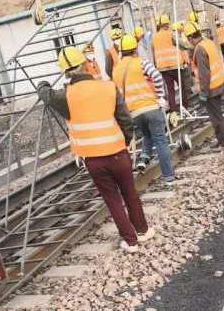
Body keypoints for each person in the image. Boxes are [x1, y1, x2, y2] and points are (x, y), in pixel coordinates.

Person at [38, 47, 153, 253]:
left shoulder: (65, 97)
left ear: (65, 73)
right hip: (118, 152)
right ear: (85, 64)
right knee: (130, 193)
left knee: (112, 199)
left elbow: (46, 94)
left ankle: (131, 241)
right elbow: (125, 120)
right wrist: (124, 142)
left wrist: (43, 84)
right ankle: (143, 231)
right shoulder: (108, 87)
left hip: (93, 160)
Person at [112, 34, 176, 183]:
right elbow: (157, 77)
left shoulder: (116, 71)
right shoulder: (141, 62)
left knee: (148, 135)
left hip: (133, 113)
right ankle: (169, 176)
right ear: (135, 49)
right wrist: (160, 96)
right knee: (160, 140)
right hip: (151, 107)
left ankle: (144, 158)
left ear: (121, 51)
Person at [183, 22, 224, 149]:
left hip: (211, 87)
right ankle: (222, 140)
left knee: (216, 116)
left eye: (188, 40)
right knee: (218, 113)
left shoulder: (199, 49)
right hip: (219, 82)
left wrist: (203, 92)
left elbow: (204, 73)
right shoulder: (208, 42)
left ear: (190, 38)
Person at [151, 14, 191, 117]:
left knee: (170, 89)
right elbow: (182, 44)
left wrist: (156, 65)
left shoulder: (154, 37)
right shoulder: (170, 34)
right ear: (166, 25)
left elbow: (153, 52)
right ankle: (185, 107)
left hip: (163, 68)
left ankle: (173, 109)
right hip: (175, 65)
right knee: (182, 87)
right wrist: (191, 46)